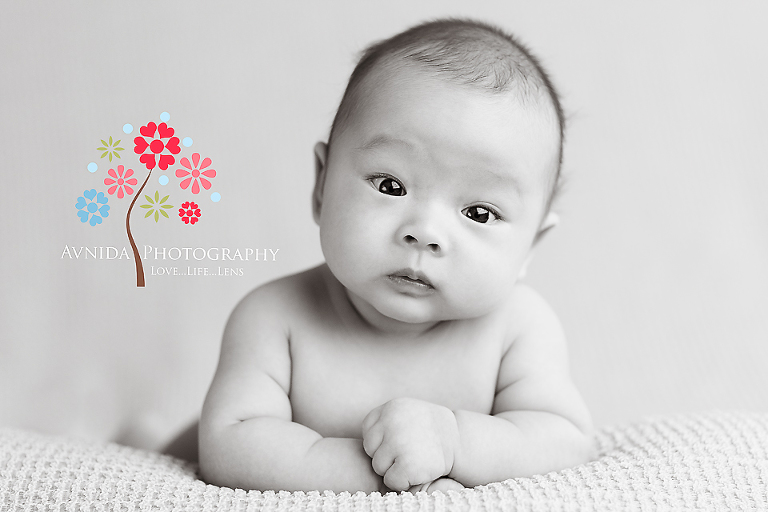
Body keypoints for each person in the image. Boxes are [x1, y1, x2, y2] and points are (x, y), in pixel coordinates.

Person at [196, 17, 595, 494]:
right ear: (322, 186)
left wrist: (453, 442)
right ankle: (147, 437)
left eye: (480, 212)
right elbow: (229, 445)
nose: (425, 233)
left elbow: (566, 441)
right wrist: (385, 474)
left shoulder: (518, 329)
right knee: (173, 444)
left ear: (530, 247)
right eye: (391, 185)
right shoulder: (274, 317)